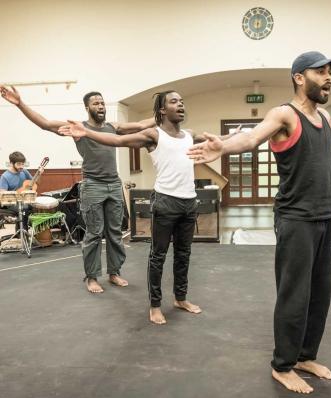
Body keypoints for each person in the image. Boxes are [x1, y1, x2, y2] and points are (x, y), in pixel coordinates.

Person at [187, 51, 331, 394]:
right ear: (299, 77)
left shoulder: (322, 116)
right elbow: (251, 137)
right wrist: (224, 146)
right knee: (295, 294)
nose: (328, 78)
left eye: (330, 73)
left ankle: (305, 356)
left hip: (326, 216)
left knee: (320, 295)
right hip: (296, 219)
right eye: (320, 72)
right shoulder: (284, 114)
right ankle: (283, 365)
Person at [59, 90, 236, 325]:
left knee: (184, 254)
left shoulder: (189, 135)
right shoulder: (154, 134)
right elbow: (118, 140)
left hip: (188, 201)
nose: (180, 104)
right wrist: (87, 132)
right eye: (174, 101)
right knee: (158, 256)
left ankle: (180, 298)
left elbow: (215, 140)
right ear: (162, 110)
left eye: (182, 101)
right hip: (165, 202)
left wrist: (235, 135)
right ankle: (155, 305)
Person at [0, 86, 155, 293]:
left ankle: (114, 272)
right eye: (95, 103)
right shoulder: (77, 128)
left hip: (114, 185)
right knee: (93, 233)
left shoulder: (112, 127)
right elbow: (45, 124)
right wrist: (20, 103)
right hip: (93, 186)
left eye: (102, 103)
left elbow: (141, 124)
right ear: (87, 107)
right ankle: (92, 277)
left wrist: (161, 112)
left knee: (115, 232)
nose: (100, 106)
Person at [0, 151, 35, 230]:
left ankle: (38, 234)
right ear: (11, 163)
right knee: (24, 208)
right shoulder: (5, 177)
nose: (21, 166)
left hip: (23, 200)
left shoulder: (24, 172)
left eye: (23, 164)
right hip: (10, 203)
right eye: (19, 164)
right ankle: (22, 232)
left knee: (37, 206)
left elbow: (34, 182)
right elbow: (2, 195)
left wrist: (39, 174)